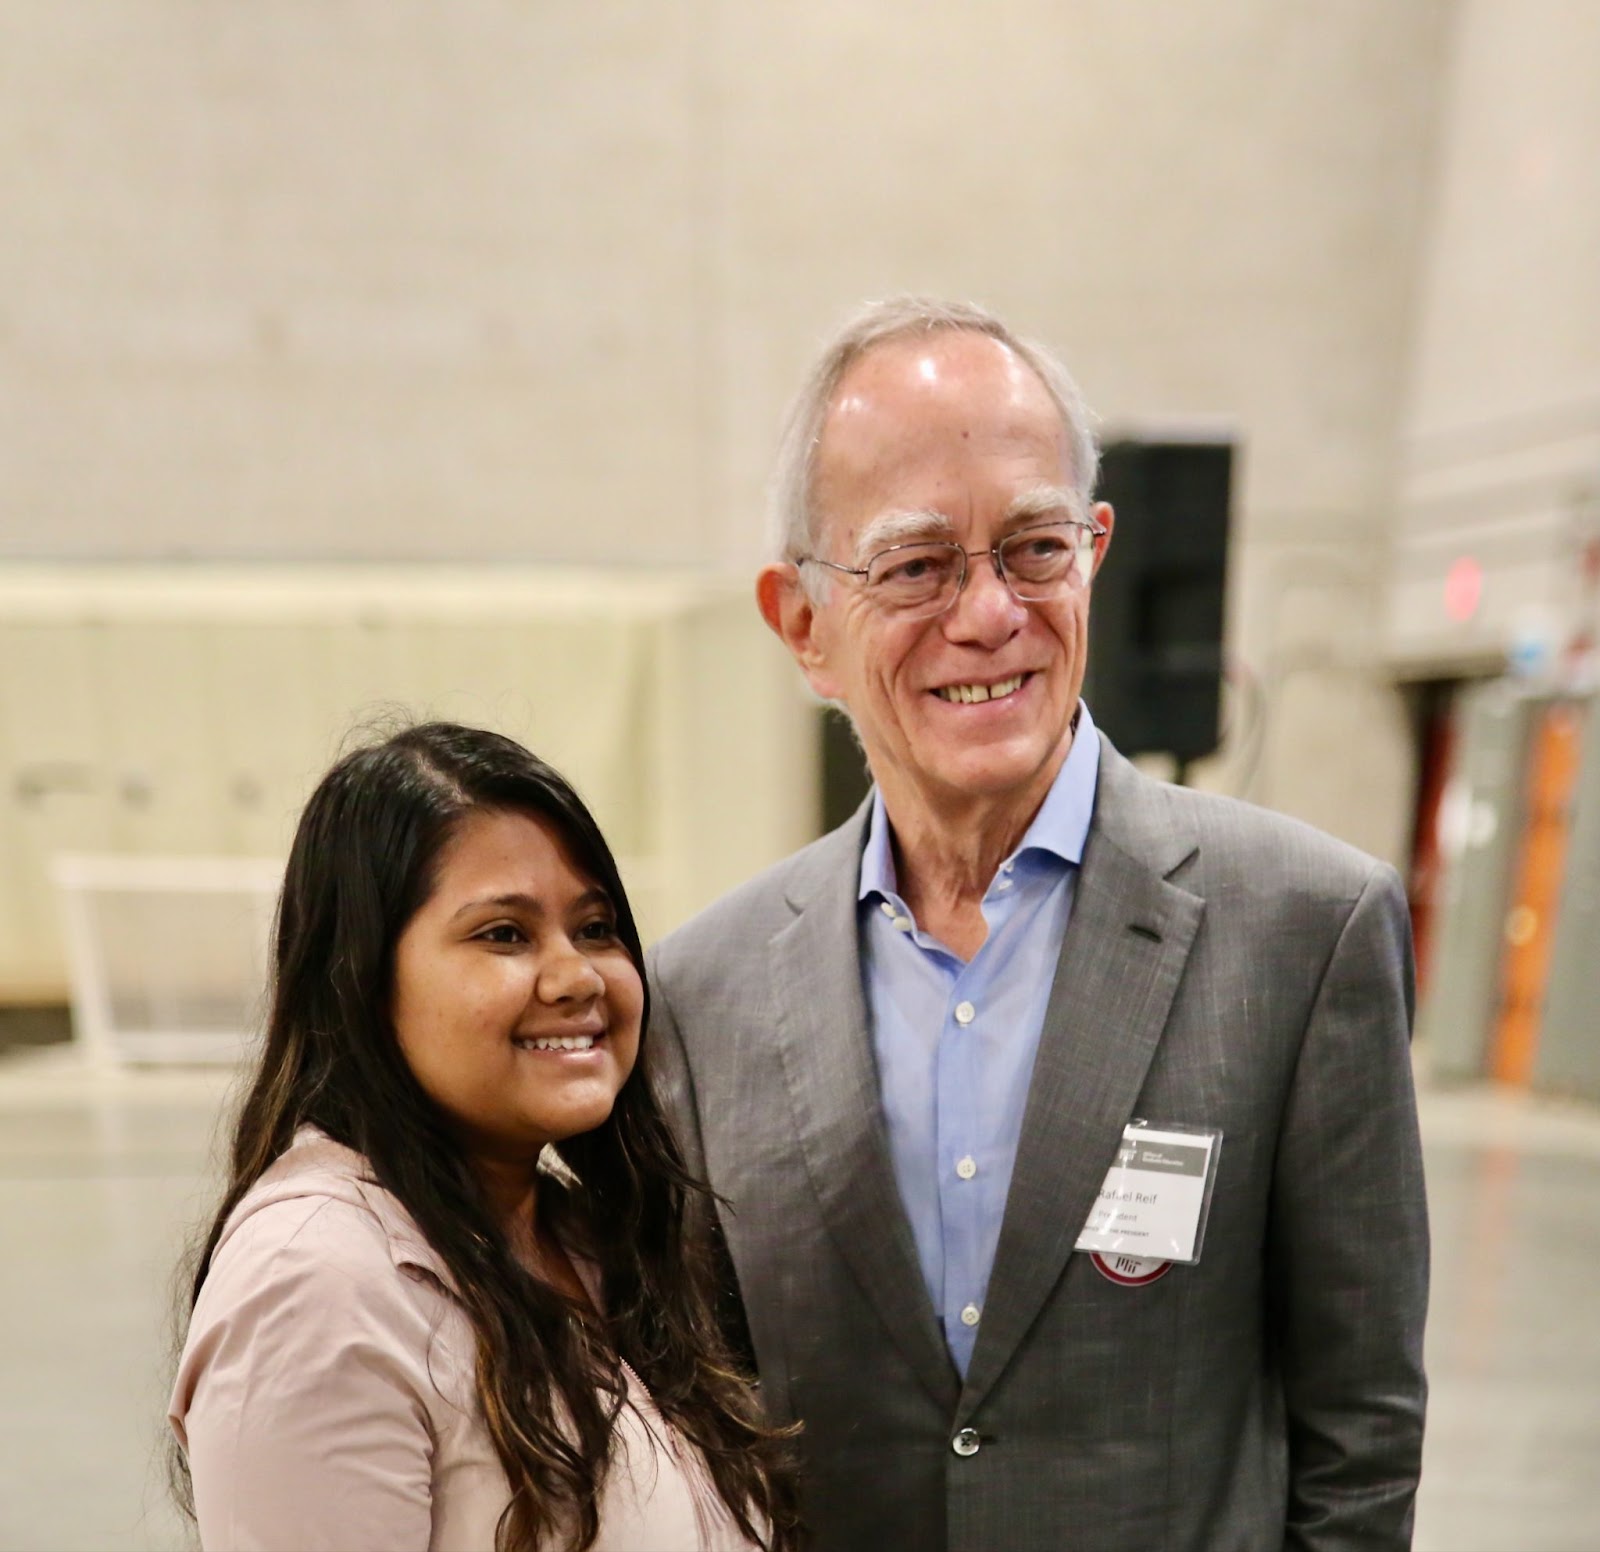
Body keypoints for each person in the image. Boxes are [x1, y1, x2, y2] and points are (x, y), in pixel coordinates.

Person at [647, 298, 1429, 1551]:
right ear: (802, 625)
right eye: (913, 565)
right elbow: (699, 1430)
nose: (987, 614)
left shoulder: (1304, 931)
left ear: (1095, 554)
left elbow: (1362, 1438)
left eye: (1032, 548)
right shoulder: (701, 994)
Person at [170, 723, 799, 1552]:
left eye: (596, 928)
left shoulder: (575, 1237)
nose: (576, 977)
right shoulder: (316, 1284)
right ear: (360, 975)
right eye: (503, 934)